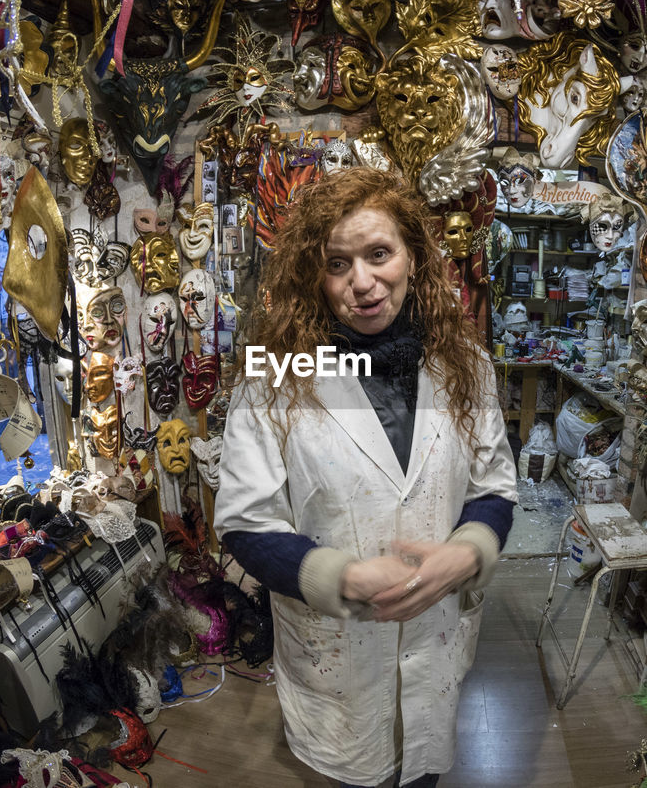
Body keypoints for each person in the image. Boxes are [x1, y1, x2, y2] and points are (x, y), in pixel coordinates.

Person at [215, 167, 518, 788]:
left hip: (437, 643)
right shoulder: (274, 379)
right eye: (336, 264)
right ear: (315, 278)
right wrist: (341, 577)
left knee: (424, 772)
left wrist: (468, 552)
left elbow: (494, 487)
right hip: (337, 659)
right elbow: (245, 523)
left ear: (412, 257)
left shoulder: (468, 367)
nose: (362, 282)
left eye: (379, 254)